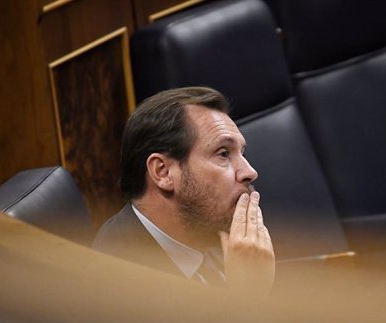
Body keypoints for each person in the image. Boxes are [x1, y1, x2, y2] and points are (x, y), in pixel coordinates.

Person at [93, 86, 275, 298]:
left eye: (241, 153)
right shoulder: (120, 282)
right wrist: (248, 297)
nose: (250, 172)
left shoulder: (215, 237)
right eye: (223, 153)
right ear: (163, 172)